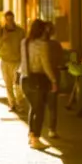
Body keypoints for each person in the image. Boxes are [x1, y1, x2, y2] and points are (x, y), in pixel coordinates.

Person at [20, 19, 62, 150]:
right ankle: (36, 138)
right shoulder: (42, 45)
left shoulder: (24, 42)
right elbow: (46, 65)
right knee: (39, 110)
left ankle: (31, 135)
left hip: (25, 79)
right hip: (37, 80)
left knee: (33, 107)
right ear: (41, 30)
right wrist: (54, 80)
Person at [0, 11, 26, 114]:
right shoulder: (1, 31)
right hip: (5, 61)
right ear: (5, 19)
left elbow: (24, 45)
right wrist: (2, 39)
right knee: (8, 84)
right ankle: (12, 104)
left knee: (18, 85)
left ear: (13, 19)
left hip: (17, 61)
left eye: (11, 19)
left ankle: (20, 104)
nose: (9, 22)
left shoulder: (20, 31)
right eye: (7, 19)